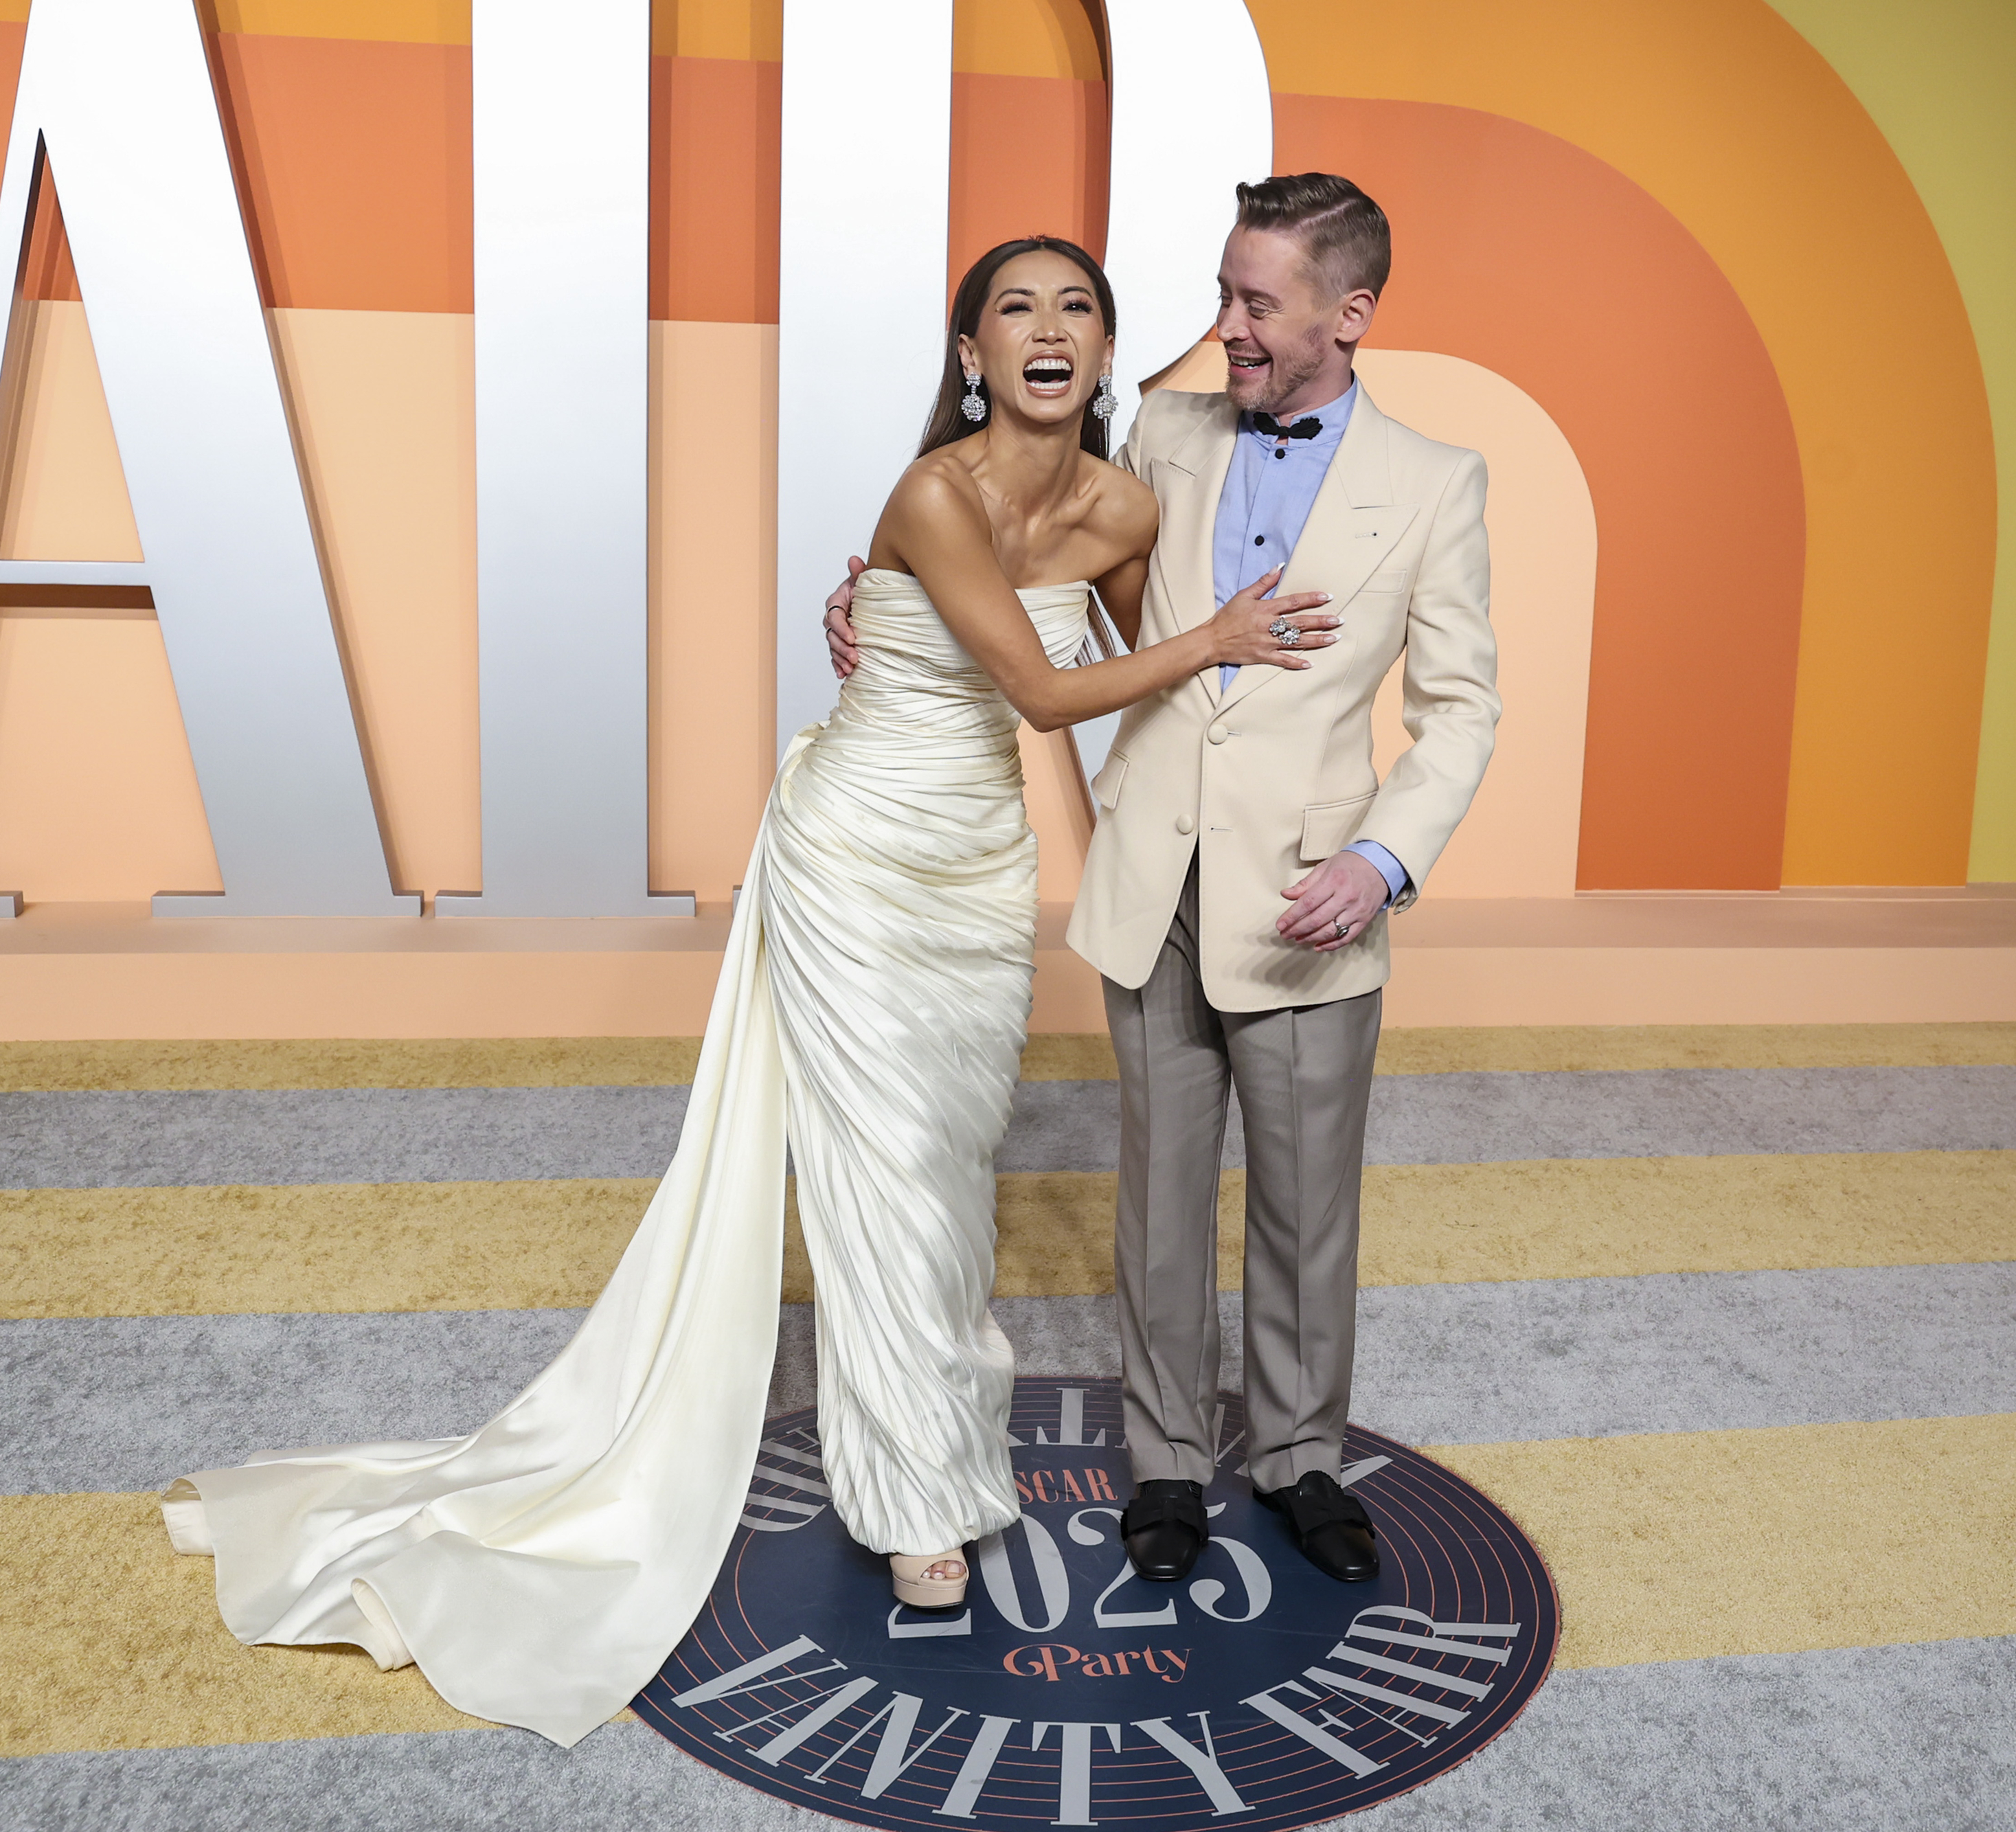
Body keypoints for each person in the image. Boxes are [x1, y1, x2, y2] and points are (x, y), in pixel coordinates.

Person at [159, 236, 1337, 1749]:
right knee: (879, 1172)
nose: (1046, 331)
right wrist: (1218, 630)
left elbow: (1135, 688)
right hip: (850, 854)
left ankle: (934, 1445)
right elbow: (1045, 693)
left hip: (975, 873)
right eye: (1012, 311)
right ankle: (915, 1499)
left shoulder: (1122, 509)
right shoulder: (932, 492)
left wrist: (1144, 845)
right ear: (968, 352)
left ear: (1106, 351)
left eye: (1075, 308)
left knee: (952, 1168)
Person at [828, 174, 1499, 1590]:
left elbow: (1462, 708)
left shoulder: (1435, 484)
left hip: (1310, 888)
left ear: (1348, 312)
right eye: (1220, 292)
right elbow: (1036, 560)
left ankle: (1301, 1453)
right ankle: (1166, 1462)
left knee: (1305, 1203)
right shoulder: (1166, 433)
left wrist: (1382, 863)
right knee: (1158, 1194)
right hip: (1154, 872)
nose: (1225, 327)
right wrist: (878, 601)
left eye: (1256, 302)